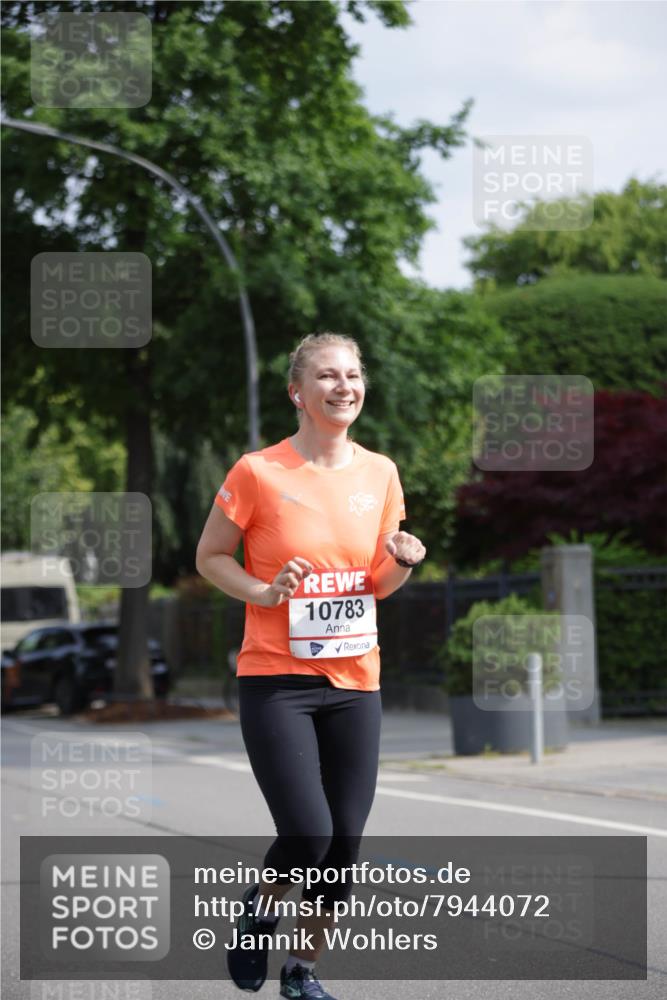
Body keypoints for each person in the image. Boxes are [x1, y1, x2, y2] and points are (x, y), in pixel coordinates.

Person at [196, 332, 426, 1000]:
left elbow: (378, 584)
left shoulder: (380, 473)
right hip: (277, 681)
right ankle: (259, 913)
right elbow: (210, 557)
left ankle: (301, 970)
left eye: (353, 374)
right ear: (297, 392)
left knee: (344, 845)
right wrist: (264, 592)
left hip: (357, 682)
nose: (343, 386)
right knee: (308, 833)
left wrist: (403, 560)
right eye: (326, 375)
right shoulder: (257, 471)